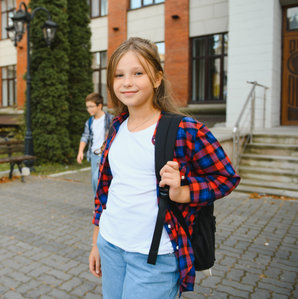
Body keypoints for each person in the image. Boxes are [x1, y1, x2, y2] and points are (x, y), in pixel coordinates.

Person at [88, 37, 240, 298]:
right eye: (119, 75)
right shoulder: (117, 126)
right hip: (110, 245)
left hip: (154, 256)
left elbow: (226, 177)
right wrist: (96, 243)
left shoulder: (184, 129)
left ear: (157, 78)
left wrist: (183, 192)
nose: (127, 82)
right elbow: (106, 190)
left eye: (138, 73)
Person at [77, 93, 113, 195]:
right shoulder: (89, 122)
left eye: (91, 106)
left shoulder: (110, 119)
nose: (89, 109)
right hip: (93, 155)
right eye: (87, 107)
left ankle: (102, 206)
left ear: (99, 105)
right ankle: (97, 206)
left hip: (105, 155)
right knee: (95, 182)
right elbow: (85, 136)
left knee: (96, 178)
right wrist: (80, 152)